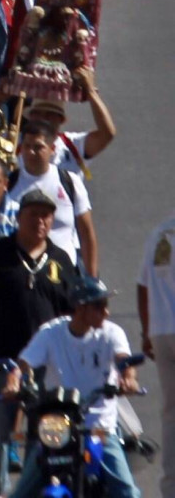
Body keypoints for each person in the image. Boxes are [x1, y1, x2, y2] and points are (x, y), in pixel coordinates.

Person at [0, 188, 77, 498]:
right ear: (19, 217)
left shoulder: (61, 261)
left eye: (46, 215)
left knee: (45, 439)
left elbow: (74, 315)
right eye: (33, 214)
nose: (40, 221)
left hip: (47, 368)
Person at [4, 277, 140, 498]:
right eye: (99, 306)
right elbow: (24, 363)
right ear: (80, 307)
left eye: (106, 305)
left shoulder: (112, 333)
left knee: (128, 492)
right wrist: (14, 381)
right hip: (58, 430)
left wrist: (129, 379)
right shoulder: (51, 333)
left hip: (99, 429)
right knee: (21, 493)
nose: (106, 312)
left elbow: (124, 360)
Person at [9, 119, 97, 273]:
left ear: (52, 149)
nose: (30, 152)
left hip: (65, 273)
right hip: (20, 271)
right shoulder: (9, 183)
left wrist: (92, 278)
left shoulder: (70, 182)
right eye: (27, 146)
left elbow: (86, 233)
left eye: (38, 147)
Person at [139, 210, 175, 496]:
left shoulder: (160, 233)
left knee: (171, 412)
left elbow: (142, 285)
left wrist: (146, 331)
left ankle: (170, 486)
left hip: (163, 331)